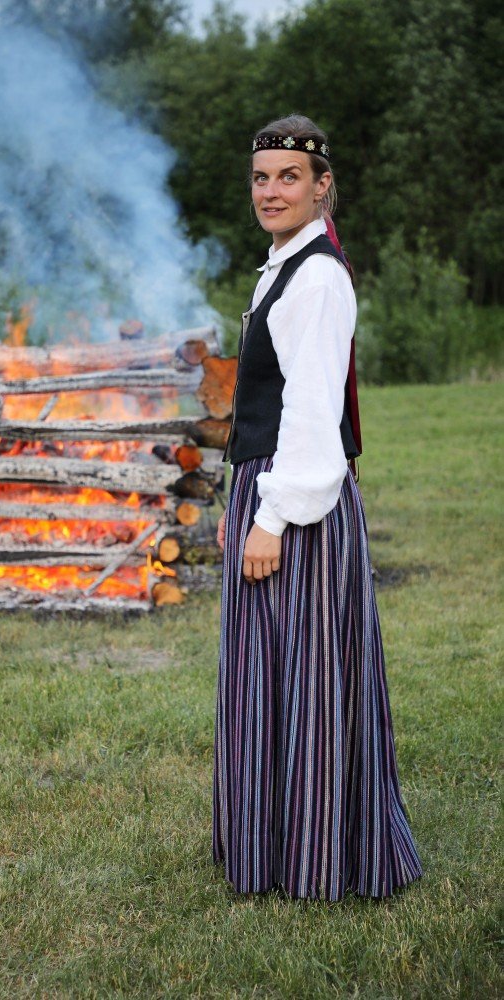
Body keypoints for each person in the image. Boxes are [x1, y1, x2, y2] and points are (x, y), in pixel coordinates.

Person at [212, 113, 423, 900]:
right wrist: (243, 499)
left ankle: (316, 854)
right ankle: (277, 846)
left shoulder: (319, 278)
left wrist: (271, 517)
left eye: (288, 178)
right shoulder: (284, 266)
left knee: (303, 678)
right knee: (269, 677)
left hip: (298, 499)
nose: (271, 192)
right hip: (268, 482)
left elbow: (311, 411)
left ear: (321, 185)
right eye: (261, 178)